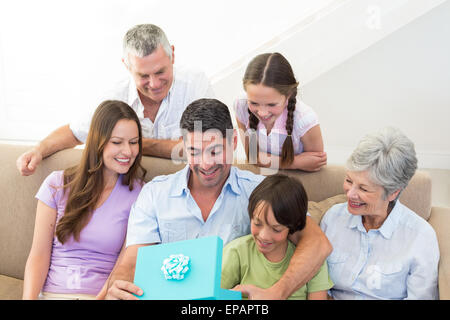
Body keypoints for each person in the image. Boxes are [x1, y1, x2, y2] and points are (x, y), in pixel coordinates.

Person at [104, 98, 332, 300]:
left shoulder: (261, 192)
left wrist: (277, 293)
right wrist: (119, 289)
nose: (205, 164)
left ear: (233, 142)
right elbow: (133, 262)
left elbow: (317, 243)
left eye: (214, 151)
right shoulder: (155, 194)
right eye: (193, 151)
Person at [16, 23, 214, 176]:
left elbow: (203, 147)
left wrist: (131, 143)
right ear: (127, 67)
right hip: (130, 190)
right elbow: (75, 132)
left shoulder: (195, 84)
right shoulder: (115, 96)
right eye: (143, 76)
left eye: (160, 72)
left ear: (172, 55)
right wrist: (38, 150)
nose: (154, 84)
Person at [22, 100, 147, 300]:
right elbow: (38, 255)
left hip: (102, 296)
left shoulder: (141, 194)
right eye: (117, 142)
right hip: (54, 293)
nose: (128, 151)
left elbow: (125, 264)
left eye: (134, 142)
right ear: (98, 142)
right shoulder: (56, 184)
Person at [320, 127, 440, 300]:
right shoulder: (333, 218)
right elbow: (318, 284)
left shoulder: (420, 237)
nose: (350, 193)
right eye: (349, 180)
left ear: (393, 193)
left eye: (363, 188)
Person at [221, 174, 333, 299]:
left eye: (276, 229)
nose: (264, 236)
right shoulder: (236, 252)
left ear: (293, 225)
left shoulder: (313, 262)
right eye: (257, 223)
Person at [234, 52, 326, 171]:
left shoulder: (305, 119)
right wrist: (296, 162)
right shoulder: (241, 105)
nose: (262, 113)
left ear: (288, 95)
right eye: (254, 103)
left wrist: (267, 160)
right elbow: (252, 157)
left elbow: (314, 165)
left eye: (271, 104)